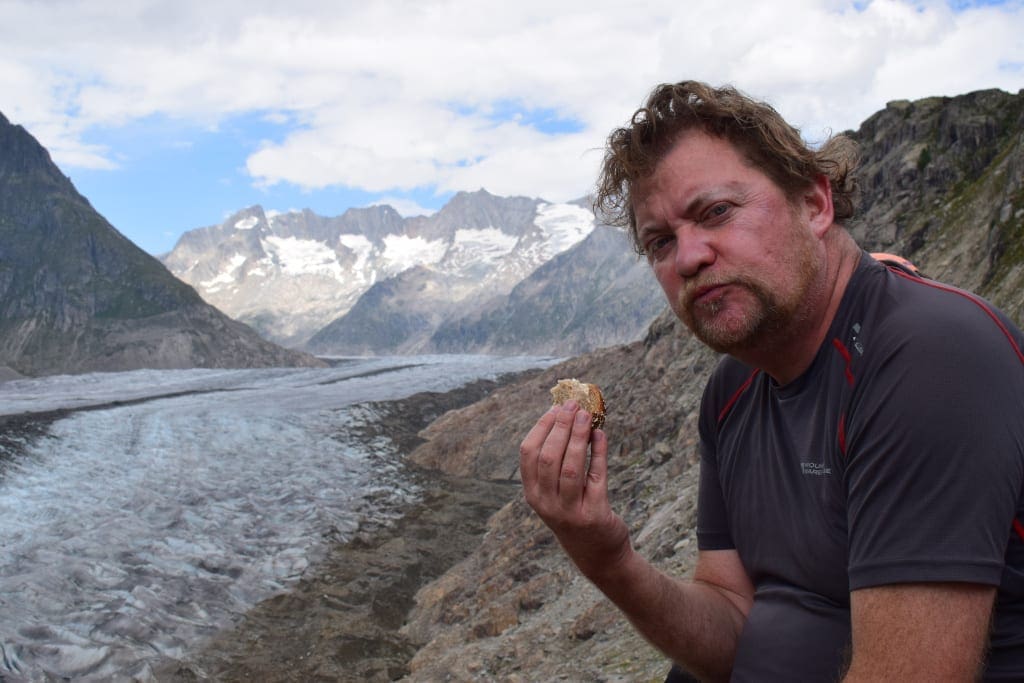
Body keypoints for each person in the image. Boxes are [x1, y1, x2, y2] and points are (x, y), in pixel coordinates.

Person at [519, 80, 1024, 681]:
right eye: (660, 242)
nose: (688, 258)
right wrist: (607, 558)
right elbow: (732, 623)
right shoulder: (733, 389)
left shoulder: (929, 356)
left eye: (716, 212)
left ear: (814, 204)